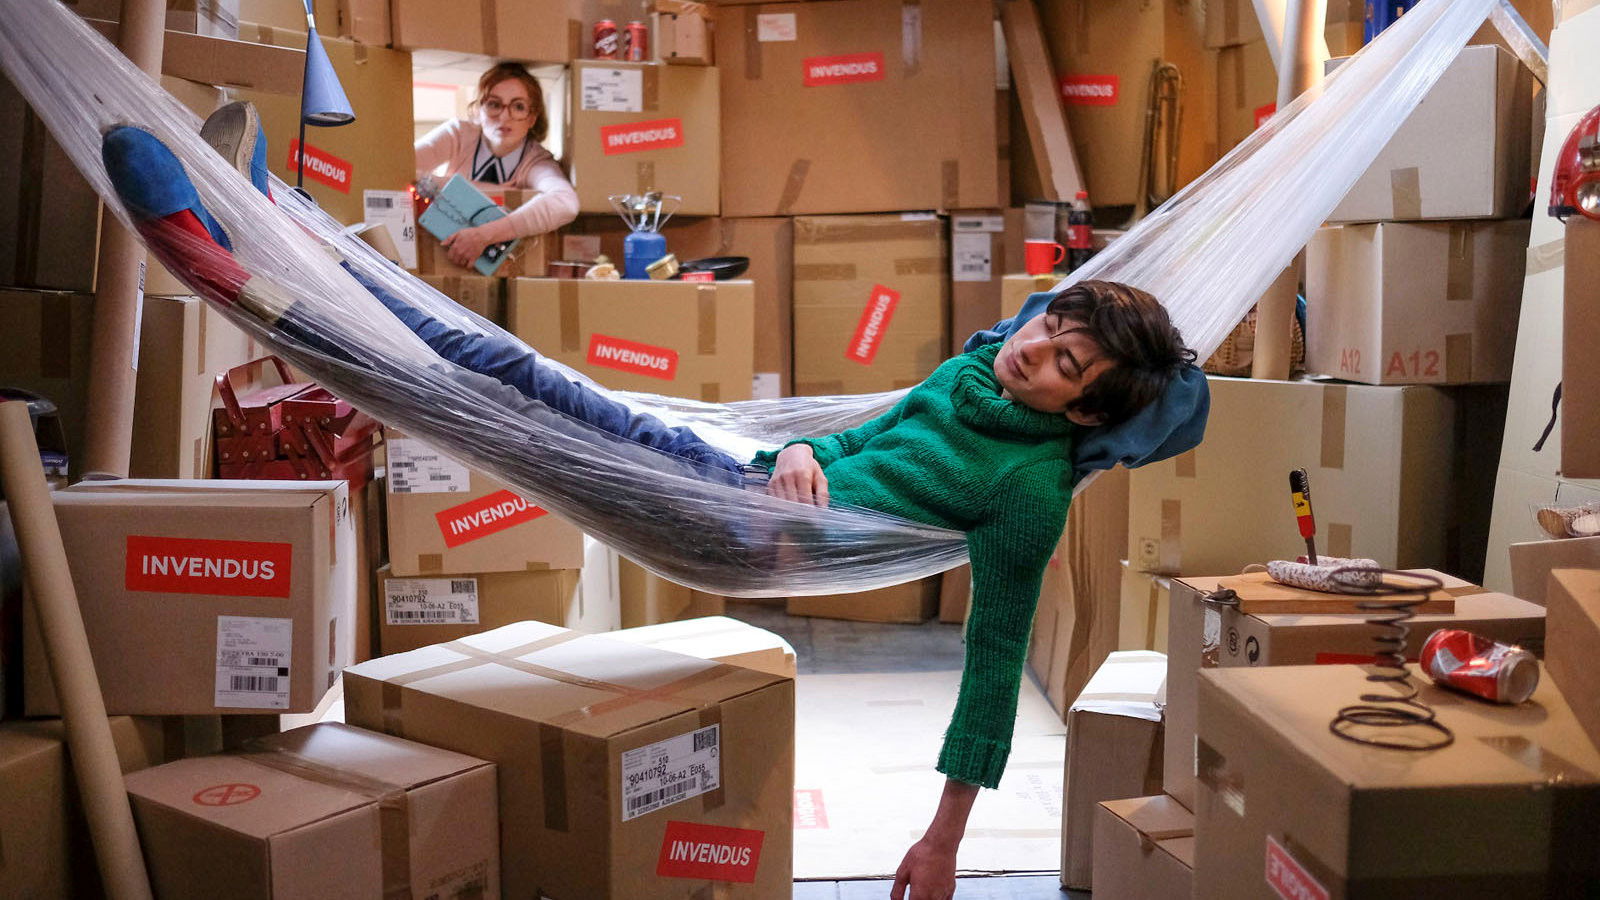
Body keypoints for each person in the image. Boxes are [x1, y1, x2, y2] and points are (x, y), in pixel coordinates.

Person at [102, 105, 1208, 900]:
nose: (1034, 354)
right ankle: (271, 225)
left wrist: (944, 837)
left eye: (1065, 366)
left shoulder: (1028, 492)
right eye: (1046, 330)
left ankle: (223, 256)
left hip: (736, 521)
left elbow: (992, 666)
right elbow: (852, 440)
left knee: (492, 388)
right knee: (495, 377)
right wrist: (808, 451)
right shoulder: (969, 373)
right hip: (744, 476)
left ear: (1083, 412)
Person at [413, 61, 579, 268]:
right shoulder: (457, 134)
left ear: (532, 118)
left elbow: (566, 203)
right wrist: (493, 190)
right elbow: (397, 169)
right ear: (478, 110)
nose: (504, 117)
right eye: (494, 104)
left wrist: (483, 235)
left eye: (518, 107)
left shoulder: (535, 160)